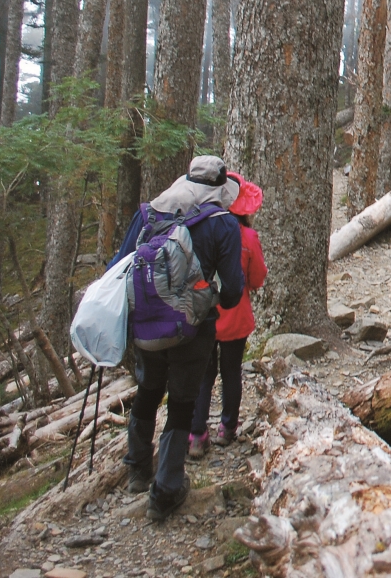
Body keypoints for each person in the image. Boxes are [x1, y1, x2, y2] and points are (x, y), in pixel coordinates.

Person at [113, 155, 244, 521]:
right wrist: (211, 297)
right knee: (182, 401)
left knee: (148, 390)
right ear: (220, 190)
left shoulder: (150, 213)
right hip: (193, 328)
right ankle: (167, 489)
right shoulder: (222, 223)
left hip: (145, 326)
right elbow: (233, 290)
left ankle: (137, 468)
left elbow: (119, 265)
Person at [188, 173, 266, 458]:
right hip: (236, 314)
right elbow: (257, 277)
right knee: (231, 372)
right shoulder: (248, 237)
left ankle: (196, 434)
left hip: (203, 313)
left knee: (203, 375)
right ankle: (227, 427)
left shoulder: (199, 230)